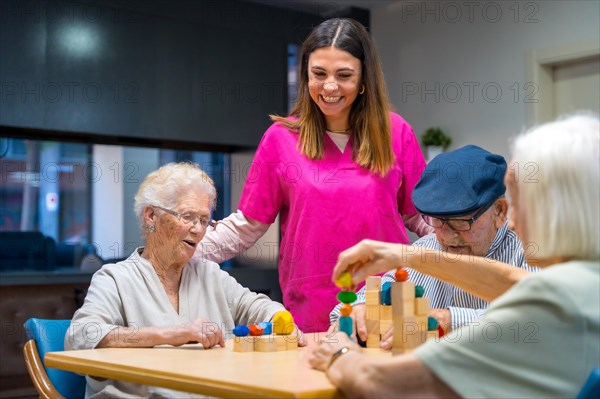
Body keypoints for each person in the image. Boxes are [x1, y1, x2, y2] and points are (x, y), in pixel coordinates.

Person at [308, 113, 599, 398]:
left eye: (520, 205)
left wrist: (340, 355)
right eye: (437, 221)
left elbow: (386, 385)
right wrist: (403, 256)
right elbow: (517, 284)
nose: (513, 221)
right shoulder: (586, 283)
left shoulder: (555, 301)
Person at [198, 18, 432, 333]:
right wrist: (178, 252)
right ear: (306, 74)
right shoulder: (280, 139)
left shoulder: (395, 132)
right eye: (319, 74)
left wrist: (471, 253)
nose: (330, 87)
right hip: (312, 308)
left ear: (364, 79)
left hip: (388, 302)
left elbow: (421, 220)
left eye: (344, 75)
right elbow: (246, 227)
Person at [66, 162, 305, 398]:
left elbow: (257, 306)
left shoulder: (210, 274)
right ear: (151, 216)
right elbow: (82, 335)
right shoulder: (114, 278)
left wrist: (279, 319)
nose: (198, 230)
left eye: (204, 220)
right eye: (188, 216)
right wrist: (172, 334)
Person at [329, 145, 538, 346]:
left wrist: (450, 319)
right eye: (437, 221)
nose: (447, 236)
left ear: (499, 211)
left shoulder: (530, 252)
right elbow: (359, 303)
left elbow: (538, 319)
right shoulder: (425, 248)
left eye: (461, 222)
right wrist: (357, 310)